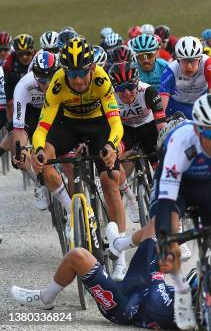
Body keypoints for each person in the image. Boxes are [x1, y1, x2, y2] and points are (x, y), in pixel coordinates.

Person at [108, 93, 211, 330]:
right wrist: (167, 240)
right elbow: (166, 200)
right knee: (169, 237)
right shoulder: (179, 142)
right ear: (197, 131)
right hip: (175, 187)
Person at [9, 222, 211, 330]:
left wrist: (160, 265)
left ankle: (46, 298)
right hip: (145, 284)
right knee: (159, 222)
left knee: (77, 255)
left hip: (126, 306)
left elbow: (155, 292)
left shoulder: (176, 314)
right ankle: (120, 244)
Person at [29, 36, 129, 281]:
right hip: (68, 124)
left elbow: (115, 122)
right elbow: (42, 127)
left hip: (98, 125)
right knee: (45, 159)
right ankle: (69, 206)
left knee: (111, 181)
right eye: (71, 73)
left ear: (91, 67)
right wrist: (39, 150)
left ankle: (121, 258)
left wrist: (111, 145)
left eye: (82, 72)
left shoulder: (101, 79)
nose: (77, 79)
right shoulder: (57, 83)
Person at [108, 61, 166, 223]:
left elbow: (161, 124)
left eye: (130, 87)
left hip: (149, 129)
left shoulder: (148, 91)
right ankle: (131, 197)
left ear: (137, 83)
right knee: (111, 156)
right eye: (120, 89)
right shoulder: (109, 96)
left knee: (159, 163)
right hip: (126, 131)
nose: (126, 93)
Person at [0, 51, 58, 210]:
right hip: (31, 112)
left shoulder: (61, 80)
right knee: (18, 149)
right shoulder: (25, 84)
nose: (46, 84)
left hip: (52, 109)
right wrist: (20, 150)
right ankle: (39, 184)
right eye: (41, 79)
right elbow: (18, 125)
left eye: (49, 79)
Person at [159, 36, 211, 118]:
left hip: (201, 104)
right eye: (184, 61)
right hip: (176, 106)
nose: (189, 66)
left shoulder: (209, 64)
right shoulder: (170, 70)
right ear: (178, 60)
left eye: (192, 61)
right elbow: (162, 103)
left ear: (199, 59)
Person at [3, 34, 36, 121]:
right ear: (15, 53)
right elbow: (8, 91)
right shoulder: (9, 65)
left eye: (28, 53)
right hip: (15, 90)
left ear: (33, 51)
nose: (24, 57)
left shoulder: (39, 59)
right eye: (21, 54)